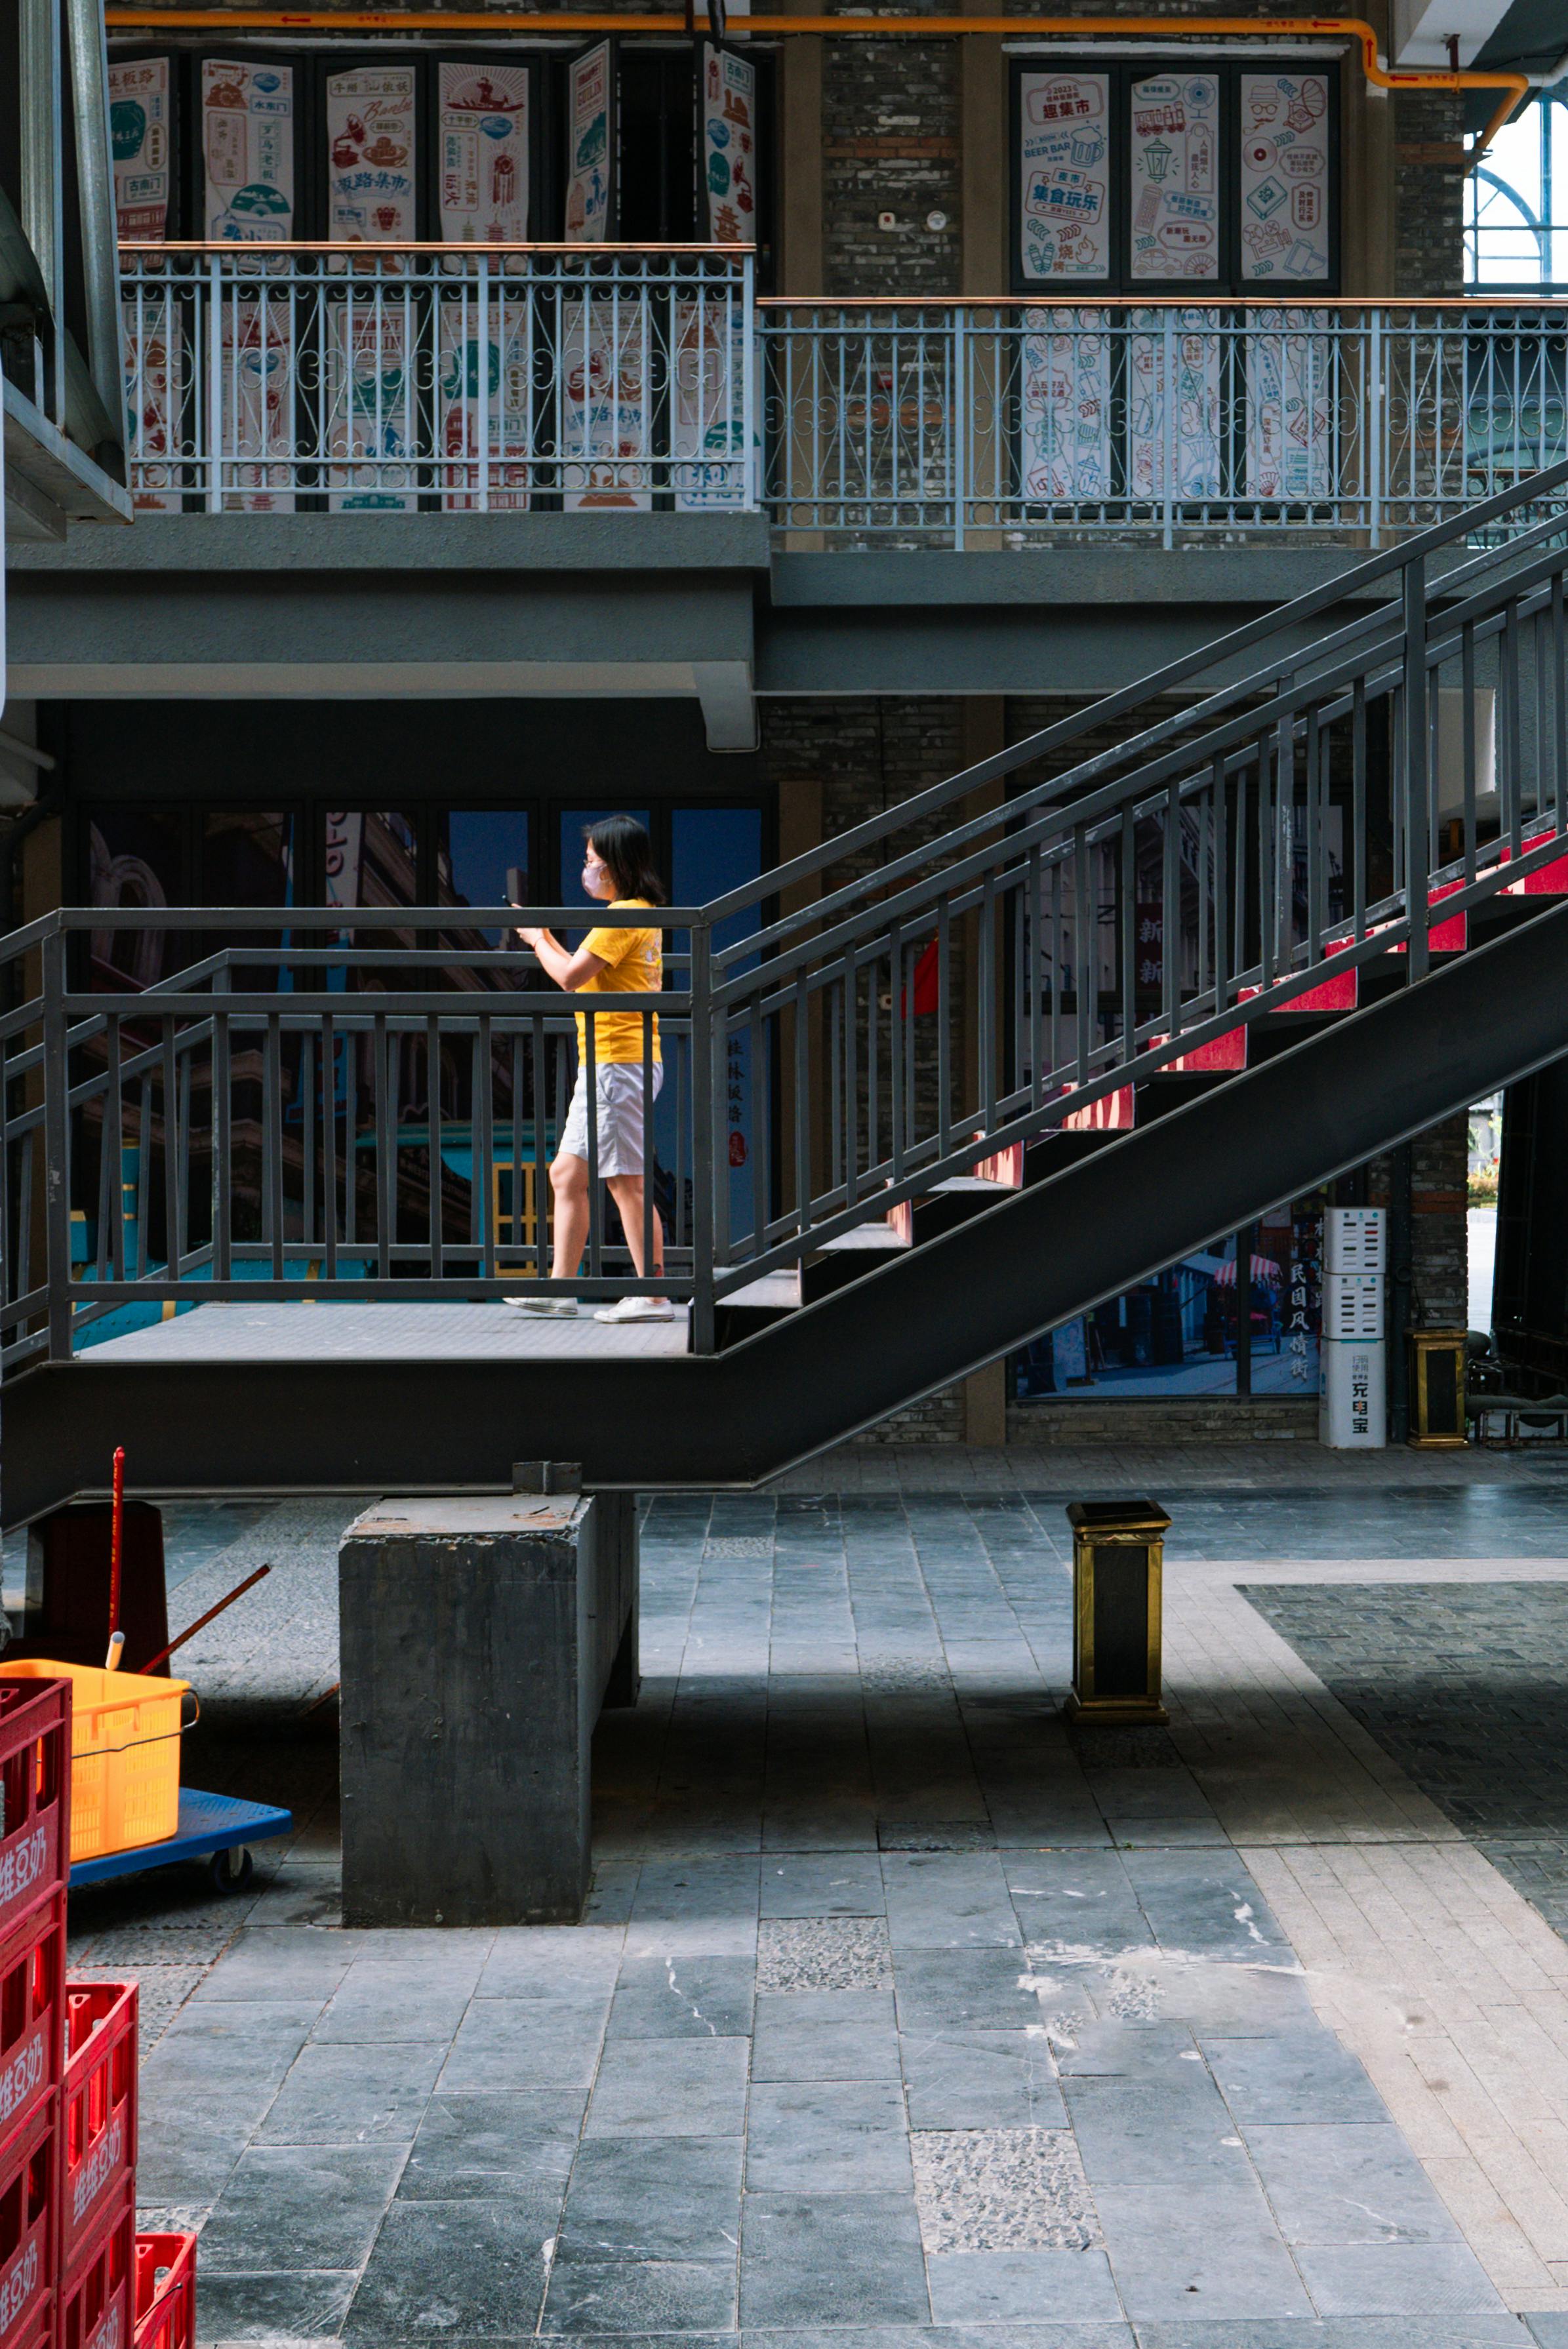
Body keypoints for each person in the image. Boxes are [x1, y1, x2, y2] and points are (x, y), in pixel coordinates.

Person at [510, 816, 671, 1323]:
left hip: (618, 1063)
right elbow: (578, 977)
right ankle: (561, 1289)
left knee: (627, 1182)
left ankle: (652, 1295)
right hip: (610, 1062)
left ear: (616, 862)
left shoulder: (623, 916)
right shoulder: (634, 913)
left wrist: (537, 939)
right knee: (566, 1174)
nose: (587, 868)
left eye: (590, 859)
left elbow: (569, 977)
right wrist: (543, 936)